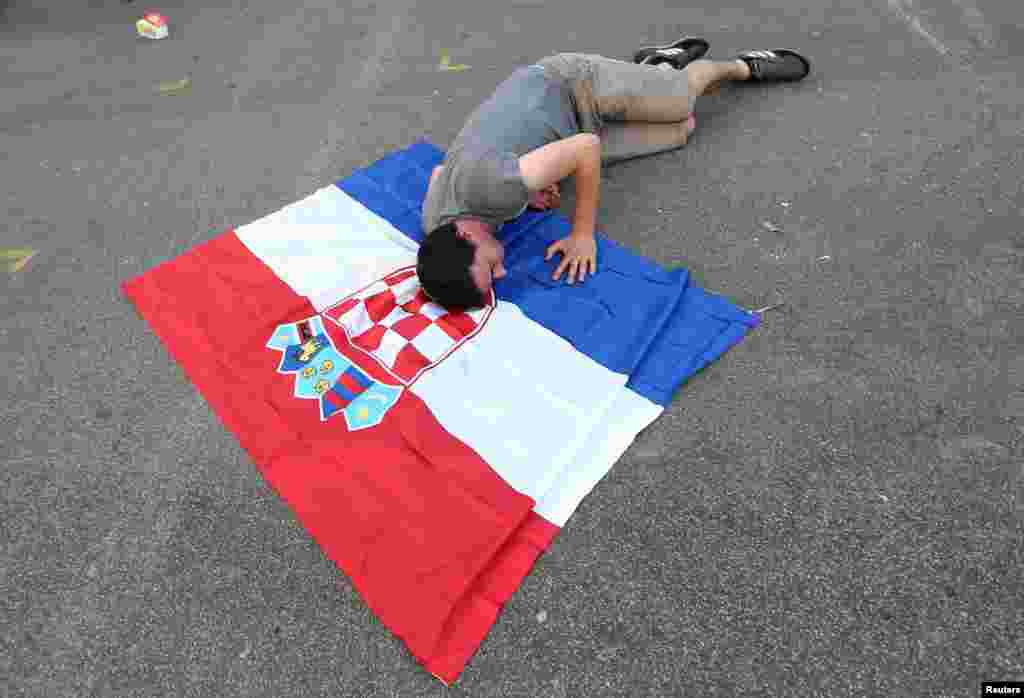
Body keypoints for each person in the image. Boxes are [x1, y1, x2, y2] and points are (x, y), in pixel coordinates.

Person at [416, 37, 811, 309]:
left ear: (465, 235)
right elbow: (440, 173)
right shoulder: (437, 224)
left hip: (572, 86)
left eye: (491, 268)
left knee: (679, 102)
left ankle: (740, 66)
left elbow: (585, 149)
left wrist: (582, 234)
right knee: (681, 130)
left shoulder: (492, 186)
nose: (503, 271)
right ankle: (658, 65)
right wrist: (530, 190)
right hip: (569, 130)